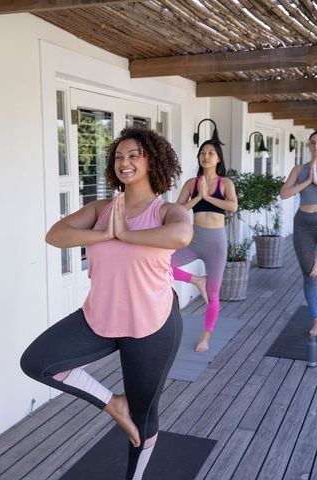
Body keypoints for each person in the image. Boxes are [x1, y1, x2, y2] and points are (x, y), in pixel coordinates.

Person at [20, 127, 193, 480]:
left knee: (143, 419)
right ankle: (114, 403)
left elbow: (182, 235)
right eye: (118, 156)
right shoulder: (101, 209)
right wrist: (105, 232)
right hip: (98, 317)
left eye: (133, 155)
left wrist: (126, 233)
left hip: (153, 323)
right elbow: (56, 234)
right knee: (38, 362)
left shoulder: (167, 211)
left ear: (152, 161)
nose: (124, 162)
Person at [171, 138, 238, 352]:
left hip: (216, 242)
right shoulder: (192, 183)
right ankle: (196, 279)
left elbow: (233, 206)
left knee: (214, 292)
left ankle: (206, 337)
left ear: (218, 158)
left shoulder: (225, 183)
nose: (206, 156)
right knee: (161, 264)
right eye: (203, 153)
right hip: (194, 238)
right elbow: (177, 210)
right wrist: (198, 197)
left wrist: (209, 197)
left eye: (211, 153)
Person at [280, 130, 317, 336]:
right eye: (312, 143)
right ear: (308, 146)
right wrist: (307, 180)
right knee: (310, 275)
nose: (316, 146)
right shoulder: (299, 169)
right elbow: (284, 193)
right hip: (303, 223)